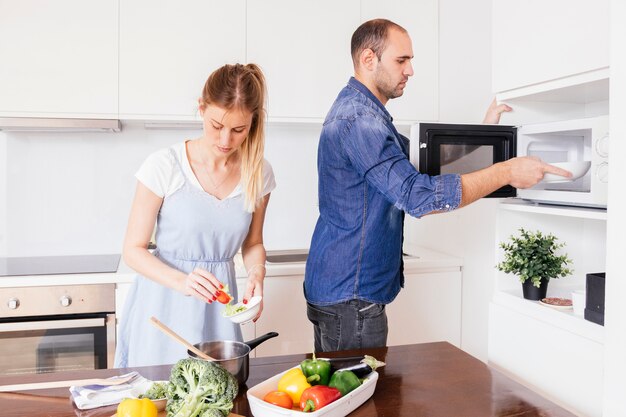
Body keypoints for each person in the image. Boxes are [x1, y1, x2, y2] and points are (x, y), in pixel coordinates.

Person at [304, 19, 570, 353]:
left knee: (340, 397)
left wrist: (486, 133)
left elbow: (418, 169)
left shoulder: (365, 115)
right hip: (350, 295)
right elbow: (417, 195)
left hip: (342, 290)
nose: (411, 70)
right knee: (358, 402)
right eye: (402, 60)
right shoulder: (360, 121)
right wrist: (505, 172)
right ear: (369, 59)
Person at [115, 63, 275, 367]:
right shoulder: (164, 165)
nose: (226, 140)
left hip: (219, 312)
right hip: (164, 304)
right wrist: (182, 282)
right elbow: (132, 251)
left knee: (215, 401)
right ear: (201, 108)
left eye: (238, 130)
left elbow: (253, 243)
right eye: (217, 125)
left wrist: (257, 273)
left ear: (253, 123)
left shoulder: (259, 173)